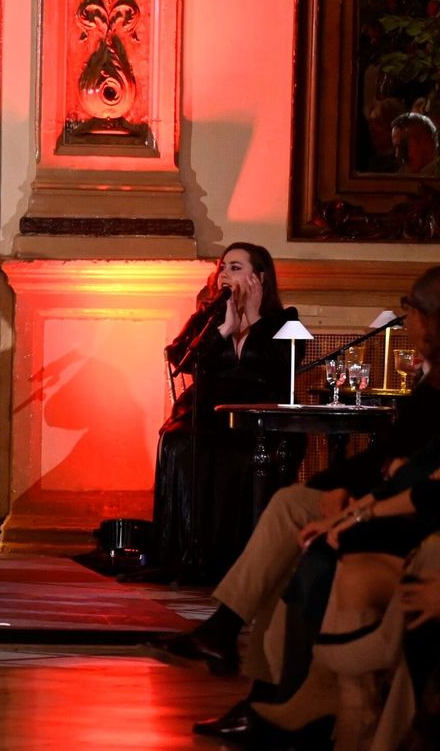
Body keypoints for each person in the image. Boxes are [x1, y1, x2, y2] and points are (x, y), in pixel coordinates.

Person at [152, 266, 440, 743]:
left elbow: (414, 475)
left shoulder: (278, 322)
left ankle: (272, 697)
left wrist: (361, 508)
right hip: (387, 500)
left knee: (306, 554)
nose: (405, 318)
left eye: (410, 308)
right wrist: (335, 488)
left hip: (413, 520)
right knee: (292, 503)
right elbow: (387, 457)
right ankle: (232, 641)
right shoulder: (430, 384)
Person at [152, 243, 297, 579]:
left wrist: (256, 320)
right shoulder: (208, 317)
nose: (224, 275)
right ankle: (189, 551)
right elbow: (180, 360)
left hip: (256, 419)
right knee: (180, 444)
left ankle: (234, 556)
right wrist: (223, 331)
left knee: (234, 452)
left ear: (258, 277)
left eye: (235, 267)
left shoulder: (284, 320)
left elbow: (283, 367)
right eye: (222, 267)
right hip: (206, 414)